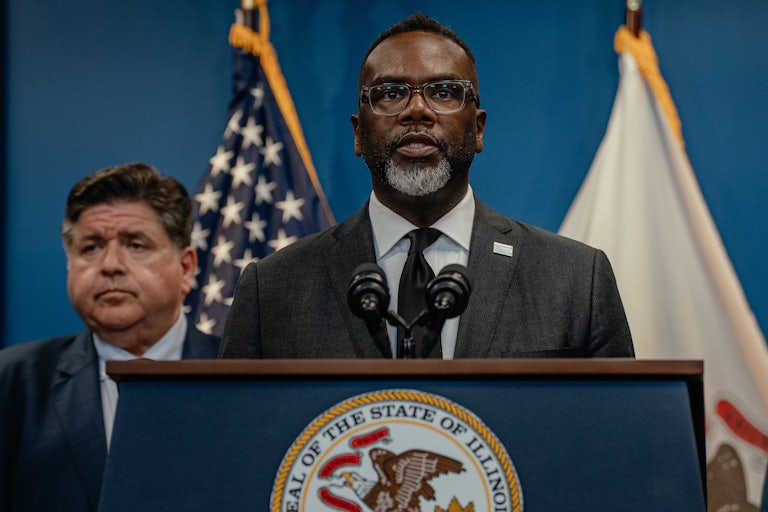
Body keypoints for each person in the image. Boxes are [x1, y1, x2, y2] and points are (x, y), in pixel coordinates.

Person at [219, 13, 634, 359]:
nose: (417, 109)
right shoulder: (272, 290)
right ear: (358, 135)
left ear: (478, 130)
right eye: (389, 93)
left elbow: (616, 442)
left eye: (444, 92)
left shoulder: (575, 280)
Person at [0, 163, 220, 512]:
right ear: (69, 265)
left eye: (135, 245)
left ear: (185, 268)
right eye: (91, 248)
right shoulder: (12, 382)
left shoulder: (243, 374)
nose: (110, 264)